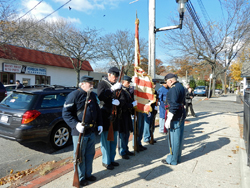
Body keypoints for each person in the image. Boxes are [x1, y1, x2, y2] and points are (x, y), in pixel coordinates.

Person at [62, 75, 103, 186]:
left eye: (92, 83)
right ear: (82, 84)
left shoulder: (93, 95)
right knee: (80, 156)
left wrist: (100, 124)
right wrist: (75, 125)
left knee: (90, 154)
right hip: (80, 132)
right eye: (90, 84)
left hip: (91, 131)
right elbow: (66, 114)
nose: (92, 85)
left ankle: (88, 174)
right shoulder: (74, 95)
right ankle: (80, 177)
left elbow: (98, 111)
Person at [97, 67, 122, 170]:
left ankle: (112, 159)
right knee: (106, 140)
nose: (115, 78)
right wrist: (111, 89)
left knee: (113, 140)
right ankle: (106, 161)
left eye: (117, 76)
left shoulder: (117, 85)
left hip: (115, 116)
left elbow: (120, 97)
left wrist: (119, 102)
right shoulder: (102, 84)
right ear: (109, 74)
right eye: (114, 76)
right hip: (105, 115)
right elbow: (100, 96)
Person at [162, 73, 186, 166]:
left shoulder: (173, 89)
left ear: (170, 81)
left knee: (174, 140)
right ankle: (177, 157)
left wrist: (169, 118)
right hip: (180, 115)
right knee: (178, 139)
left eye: (167, 82)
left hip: (175, 116)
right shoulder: (180, 86)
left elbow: (174, 105)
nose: (167, 84)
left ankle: (172, 160)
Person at [118, 75, 137, 159]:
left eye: (129, 82)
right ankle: (122, 151)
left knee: (127, 133)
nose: (129, 84)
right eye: (127, 82)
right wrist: (131, 105)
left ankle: (126, 149)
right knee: (122, 134)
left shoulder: (127, 91)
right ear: (123, 82)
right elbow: (122, 104)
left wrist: (133, 112)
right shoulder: (121, 91)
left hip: (127, 115)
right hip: (122, 116)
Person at [143, 79, 158, 144]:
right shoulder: (147, 91)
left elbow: (156, 100)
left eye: (155, 84)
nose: (154, 85)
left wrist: (156, 106)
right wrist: (147, 109)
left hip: (153, 110)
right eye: (153, 84)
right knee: (147, 124)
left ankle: (151, 136)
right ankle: (146, 138)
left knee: (152, 124)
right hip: (148, 110)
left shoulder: (155, 92)